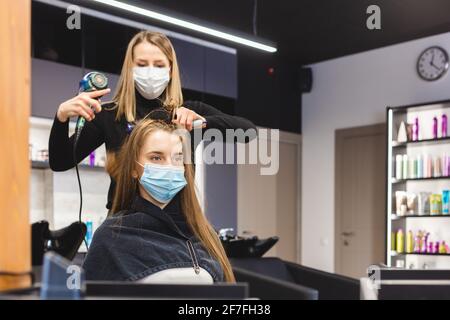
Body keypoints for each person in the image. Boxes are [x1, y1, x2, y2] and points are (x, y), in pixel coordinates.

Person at [49, 30, 256, 210]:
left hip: (177, 225)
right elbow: (60, 162)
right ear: (130, 68)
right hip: (124, 225)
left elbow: (248, 132)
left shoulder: (189, 113)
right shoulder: (109, 114)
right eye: (141, 64)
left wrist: (203, 122)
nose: (150, 71)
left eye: (158, 65)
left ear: (170, 69)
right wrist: (61, 117)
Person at [82, 118, 235, 283]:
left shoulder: (204, 234)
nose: (169, 166)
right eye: (156, 158)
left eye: (177, 158)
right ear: (134, 169)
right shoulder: (112, 236)